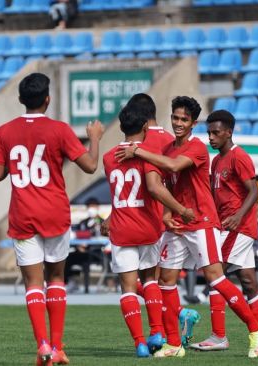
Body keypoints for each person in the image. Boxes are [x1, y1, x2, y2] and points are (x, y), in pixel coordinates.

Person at [116, 97, 258, 359]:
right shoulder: (167, 149)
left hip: (201, 223)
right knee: (166, 280)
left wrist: (137, 151)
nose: (178, 123)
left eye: (184, 120)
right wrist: (166, 213)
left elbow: (174, 167)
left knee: (216, 279)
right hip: (179, 225)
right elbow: (167, 185)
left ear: (193, 123)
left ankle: (255, 330)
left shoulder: (196, 148)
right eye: (175, 118)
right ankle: (174, 344)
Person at [0, 72, 104, 366]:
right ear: (47, 99)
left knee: (32, 283)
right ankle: (57, 347)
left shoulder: (4, 131)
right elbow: (90, 166)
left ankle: (41, 345)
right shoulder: (60, 130)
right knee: (56, 277)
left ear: (20, 100)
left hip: (23, 212)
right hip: (54, 211)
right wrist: (94, 140)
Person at [103, 104, 195, 357]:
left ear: (121, 127)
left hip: (122, 227)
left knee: (128, 288)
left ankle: (139, 343)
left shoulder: (108, 157)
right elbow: (154, 188)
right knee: (151, 280)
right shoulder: (150, 154)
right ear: (146, 127)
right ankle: (157, 331)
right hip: (148, 226)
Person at [192, 109, 258, 353]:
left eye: (216, 133)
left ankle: (219, 336)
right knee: (249, 282)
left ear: (229, 132)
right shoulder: (217, 160)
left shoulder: (239, 157)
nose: (211, 137)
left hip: (237, 227)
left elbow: (254, 192)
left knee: (215, 275)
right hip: (230, 226)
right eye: (208, 133)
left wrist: (237, 216)